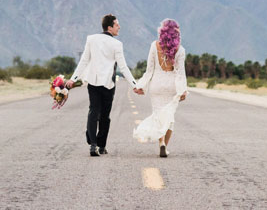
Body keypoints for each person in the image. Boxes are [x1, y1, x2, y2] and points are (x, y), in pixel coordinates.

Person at [66, 14, 144, 156]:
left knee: (93, 111)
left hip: (93, 82)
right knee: (105, 115)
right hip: (108, 84)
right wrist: (134, 85)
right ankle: (101, 146)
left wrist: (73, 79)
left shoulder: (91, 39)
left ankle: (93, 145)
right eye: (116, 25)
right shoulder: (117, 44)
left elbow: (83, 61)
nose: (119, 27)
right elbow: (123, 67)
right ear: (109, 27)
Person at [133, 19, 187, 157]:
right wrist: (182, 90)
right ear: (174, 31)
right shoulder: (180, 50)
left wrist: (141, 86)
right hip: (171, 85)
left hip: (156, 85)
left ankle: (161, 142)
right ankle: (164, 146)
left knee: (158, 115)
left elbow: (149, 70)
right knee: (169, 117)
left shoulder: (154, 45)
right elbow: (180, 74)